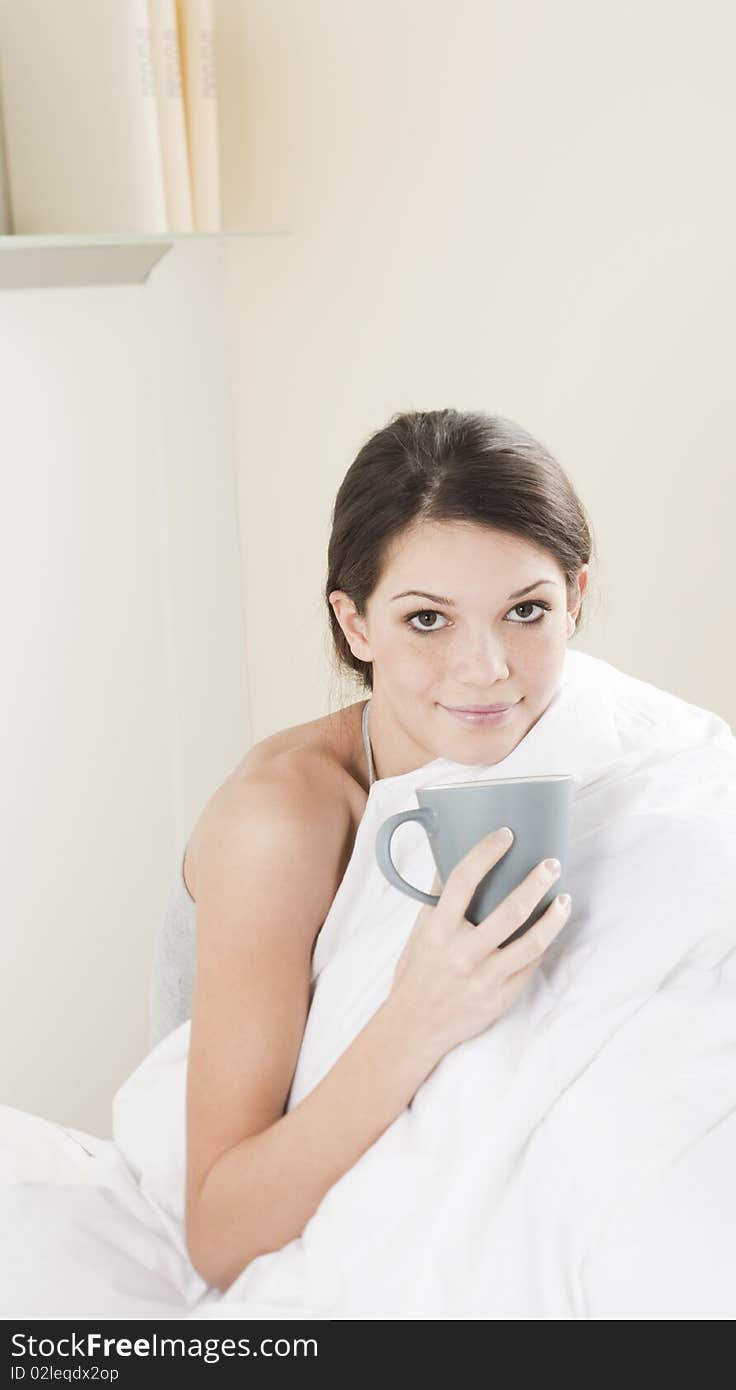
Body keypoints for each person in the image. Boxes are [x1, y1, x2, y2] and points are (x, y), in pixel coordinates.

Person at [182, 407, 591, 1292]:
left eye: (526, 610)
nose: (485, 667)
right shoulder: (281, 823)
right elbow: (218, 1232)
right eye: (427, 621)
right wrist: (421, 1015)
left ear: (578, 601)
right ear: (356, 624)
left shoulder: (600, 732)